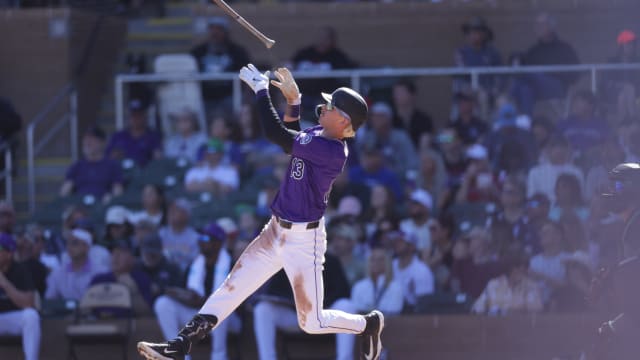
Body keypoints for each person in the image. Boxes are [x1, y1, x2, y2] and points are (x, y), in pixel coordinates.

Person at [137, 64, 384, 360]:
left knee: (312, 322)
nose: (324, 106)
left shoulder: (333, 150)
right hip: (275, 230)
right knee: (231, 288)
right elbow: (291, 138)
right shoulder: (321, 132)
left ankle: (367, 324)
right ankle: (180, 346)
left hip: (304, 242)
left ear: (343, 121)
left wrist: (260, 90)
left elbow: (276, 135)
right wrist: (293, 103)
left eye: (330, 105)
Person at [152, 223, 235, 360]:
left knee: (220, 308)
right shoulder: (195, 264)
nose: (201, 242)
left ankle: (219, 357)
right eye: (200, 239)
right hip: (198, 315)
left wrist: (206, 301)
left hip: (228, 319)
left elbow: (236, 299)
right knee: (162, 303)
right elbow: (187, 292)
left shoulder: (232, 264)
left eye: (206, 239)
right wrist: (182, 296)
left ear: (218, 243)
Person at [253, 252, 354, 360]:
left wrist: (317, 305)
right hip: (296, 316)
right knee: (263, 309)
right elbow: (275, 292)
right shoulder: (287, 261)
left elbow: (343, 291)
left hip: (323, 316)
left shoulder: (331, 260)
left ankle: (345, 358)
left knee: (346, 306)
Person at [509, 12, 580, 115]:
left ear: (552, 26)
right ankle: (525, 123)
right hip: (537, 89)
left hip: (558, 87)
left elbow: (576, 72)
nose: (538, 27)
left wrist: (562, 78)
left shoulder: (564, 48)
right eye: (536, 25)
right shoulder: (533, 50)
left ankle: (507, 98)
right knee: (525, 89)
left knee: (528, 74)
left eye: (542, 24)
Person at [190, 17, 251, 112]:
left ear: (226, 32)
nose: (215, 33)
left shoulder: (238, 52)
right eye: (212, 29)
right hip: (205, 96)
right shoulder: (198, 52)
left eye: (218, 29)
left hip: (229, 95)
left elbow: (248, 74)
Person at [0, 233, 40, 360]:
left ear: (9, 253)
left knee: (31, 316)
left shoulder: (20, 270)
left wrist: (4, 283)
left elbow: (29, 303)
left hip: (12, 319)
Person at [59, 126, 124, 203]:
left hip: (102, 206)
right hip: (79, 207)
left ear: (102, 143)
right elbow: (64, 192)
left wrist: (111, 199)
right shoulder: (77, 166)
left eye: (92, 139)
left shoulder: (112, 165)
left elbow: (118, 191)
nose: (88, 142)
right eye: (86, 139)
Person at [91, 238, 154, 316]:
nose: (115, 257)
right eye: (113, 253)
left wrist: (133, 291)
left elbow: (146, 313)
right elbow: (86, 310)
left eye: (121, 253)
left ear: (132, 258)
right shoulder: (99, 279)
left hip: (129, 325)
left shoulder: (142, 279)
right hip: (99, 325)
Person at [45, 228, 107, 301]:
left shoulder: (101, 272)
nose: (69, 247)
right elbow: (50, 300)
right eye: (68, 243)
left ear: (86, 247)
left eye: (75, 243)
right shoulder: (57, 273)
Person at [105, 98, 163, 167]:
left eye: (139, 115)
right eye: (133, 115)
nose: (136, 119)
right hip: (121, 173)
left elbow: (158, 160)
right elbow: (108, 158)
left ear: (145, 116)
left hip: (144, 174)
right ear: (129, 117)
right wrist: (116, 154)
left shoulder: (153, 137)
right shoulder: (118, 136)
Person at [389, 230, 434, 313]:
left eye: (401, 242)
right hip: (388, 311)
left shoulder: (422, 271)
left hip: (410, 314)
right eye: (395, 242)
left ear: (412, 246)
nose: (396, 244)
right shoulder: (390, 266)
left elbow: (423, 305)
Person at [391, 79, 433, 148]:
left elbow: (425, 143)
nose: (396, 96)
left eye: (401, 93)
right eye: (395, 93)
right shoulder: (390, 120)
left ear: (412, 95)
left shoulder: (423, 119)